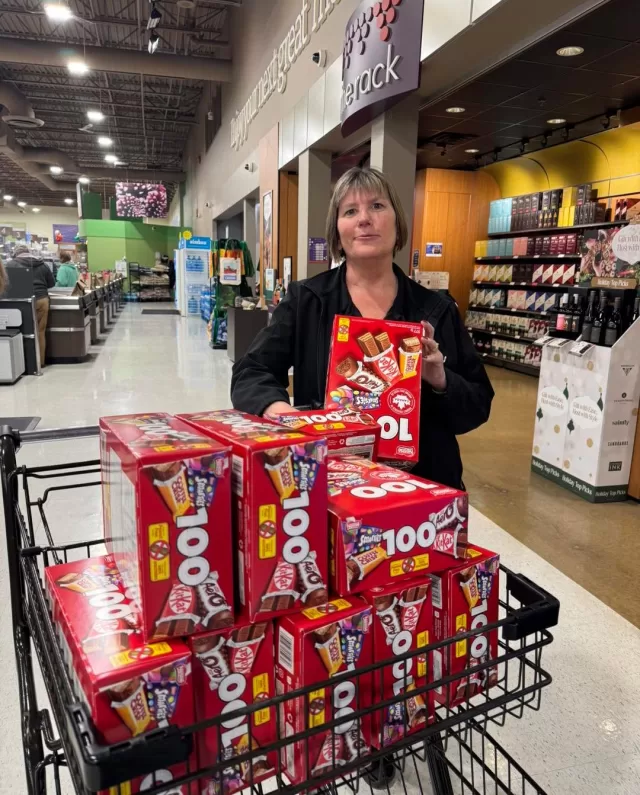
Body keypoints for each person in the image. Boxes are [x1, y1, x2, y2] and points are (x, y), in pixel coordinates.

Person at [231, 167, 494, 488]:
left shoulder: (435, 309)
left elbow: (478, 405)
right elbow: (251, 371)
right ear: (337, 231)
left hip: (423, 485)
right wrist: (285, 415)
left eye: (377, 206)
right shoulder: (308, 300)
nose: (364, 219)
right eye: (350, 211)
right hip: (330, 479)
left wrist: (440, 379)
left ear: (398, 223)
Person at [7, 244, 54, 367]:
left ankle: (25, 363)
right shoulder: (42, 264)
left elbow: (7, 286)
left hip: (22, 302)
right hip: (42, 300)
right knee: (40, 331)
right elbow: (51, 283)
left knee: (23, 331)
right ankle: (40, 362)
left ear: (16, 254)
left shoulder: (11, 265)